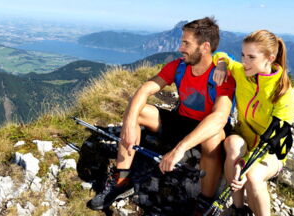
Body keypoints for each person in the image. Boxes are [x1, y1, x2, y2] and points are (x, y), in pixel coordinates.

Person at [87, 17, 236, 215]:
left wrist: (179, 149)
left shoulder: (222, 76)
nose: (180, 48)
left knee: (214, 137)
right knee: (137, 110)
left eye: (186, 43)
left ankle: (204, 201)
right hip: (181, 121)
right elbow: (145, 89)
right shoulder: (179, 66)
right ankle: (122, 179)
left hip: (206, 128)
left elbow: (219, 117)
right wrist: (129, 124)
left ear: (205, 47)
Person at [212, 30, 294, 216]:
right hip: (244, 136)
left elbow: (275, 138)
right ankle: (238, 209)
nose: (244, 61)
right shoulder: (242, 73)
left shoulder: (285, 93)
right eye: (243, 55)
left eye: (251, 57)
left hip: (270, 150)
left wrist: (245, 165)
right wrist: (220, 64)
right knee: (232, 144)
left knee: (253, 177)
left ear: (270, 58)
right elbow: (222, 56)